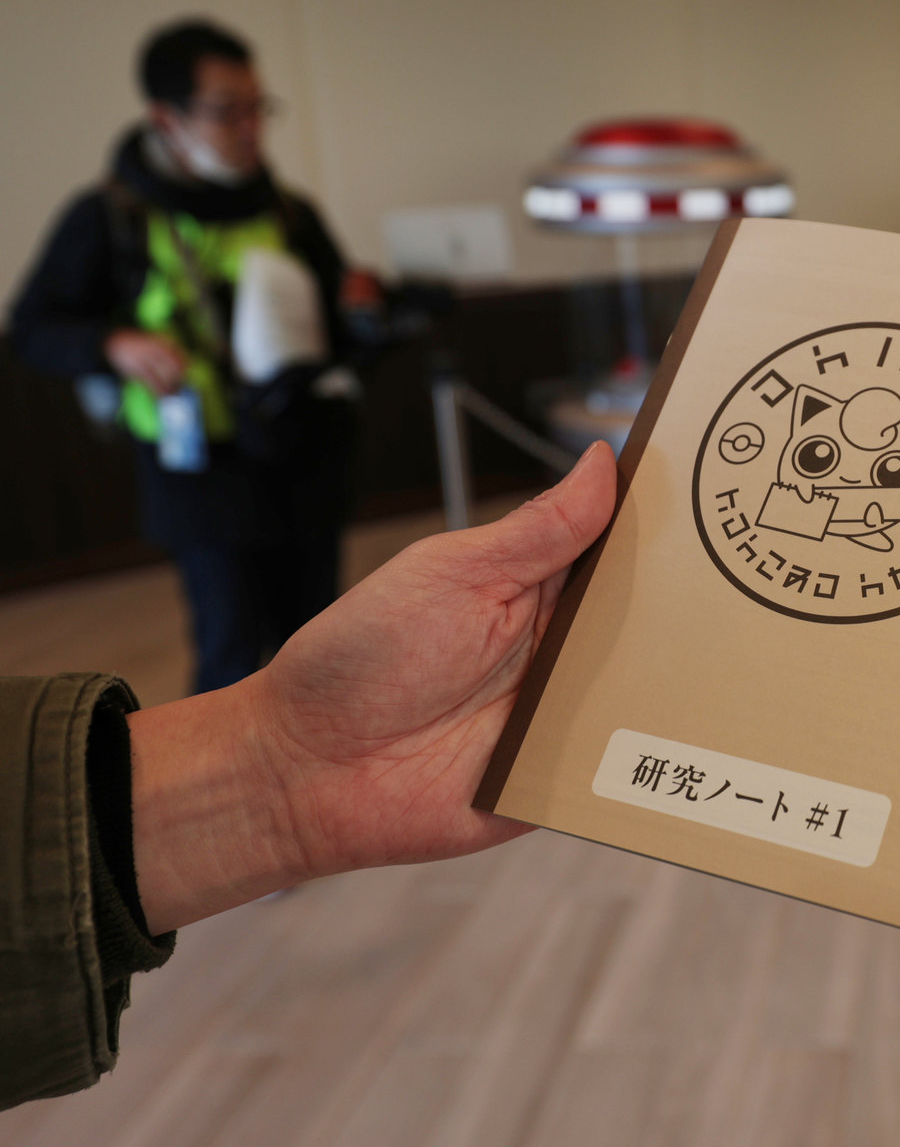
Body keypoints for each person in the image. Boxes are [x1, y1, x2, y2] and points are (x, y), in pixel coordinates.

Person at [0, 442, 617, 1110]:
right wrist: (276, 764)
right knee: (225, 630)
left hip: (302, 468)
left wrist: (279, 760)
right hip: (200, 481)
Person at [9, 18, 376, 695]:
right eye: (226, 111)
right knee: (230, 654)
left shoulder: (288, 212)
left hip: (299, 452)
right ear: (165, 118)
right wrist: (112, 344)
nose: (251, 129)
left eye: (258, 107)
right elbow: (31, 329)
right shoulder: (109, 217)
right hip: (198, 470)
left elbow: (339, 329)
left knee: (319, 646)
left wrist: (362, 309)